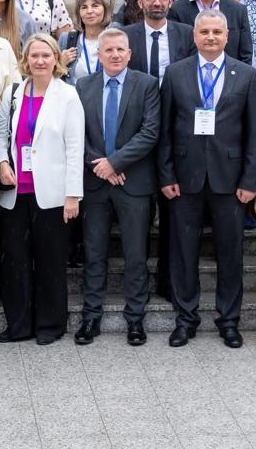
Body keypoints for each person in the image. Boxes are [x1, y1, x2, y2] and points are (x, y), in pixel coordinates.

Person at [159, 9, 256, 349]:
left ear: (227, 36)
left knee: (230, 254)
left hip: (230, 180)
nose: (210, 37)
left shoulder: (247, 75)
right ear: (194, 36)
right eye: (204, 31)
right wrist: (166, 174)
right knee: (183, 253)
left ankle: (229, 321)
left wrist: (250, 180)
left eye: (217, 32)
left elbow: (255, 134)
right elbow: (164, 132)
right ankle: (185, 319)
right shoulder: (175, 74)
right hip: (185, 179)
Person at [0, 35, 84, 345]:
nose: (40, 61)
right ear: (26, 59)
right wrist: (1, 163)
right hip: (15, 192)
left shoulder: (68, 95)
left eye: (46, 55)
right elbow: (0, 133)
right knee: (16, 260)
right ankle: (19, 325)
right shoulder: (14, 92)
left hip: (54, 193)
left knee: (50, 261)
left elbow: (75, 148)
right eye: (35, 55)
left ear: (56, 59)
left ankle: (50, 325)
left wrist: (73, 194)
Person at [73, 27, 160, 345]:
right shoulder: (83, 86)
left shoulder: (147, 85)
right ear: (99, 54)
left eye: (120, 50)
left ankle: (135, 320)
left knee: (136, 255)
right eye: (108, 50)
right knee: (95, 253)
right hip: (95, 183)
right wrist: (102, 166)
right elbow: (76, 134)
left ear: (129, 53)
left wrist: (116, 163)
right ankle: (90, 317)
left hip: (133, 183)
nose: (114, 55)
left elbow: (150, 132)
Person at [124, 0, 194, 83]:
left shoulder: (187, 34)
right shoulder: (126, 36)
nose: (157, 3)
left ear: (170, 1)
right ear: (140, 2)